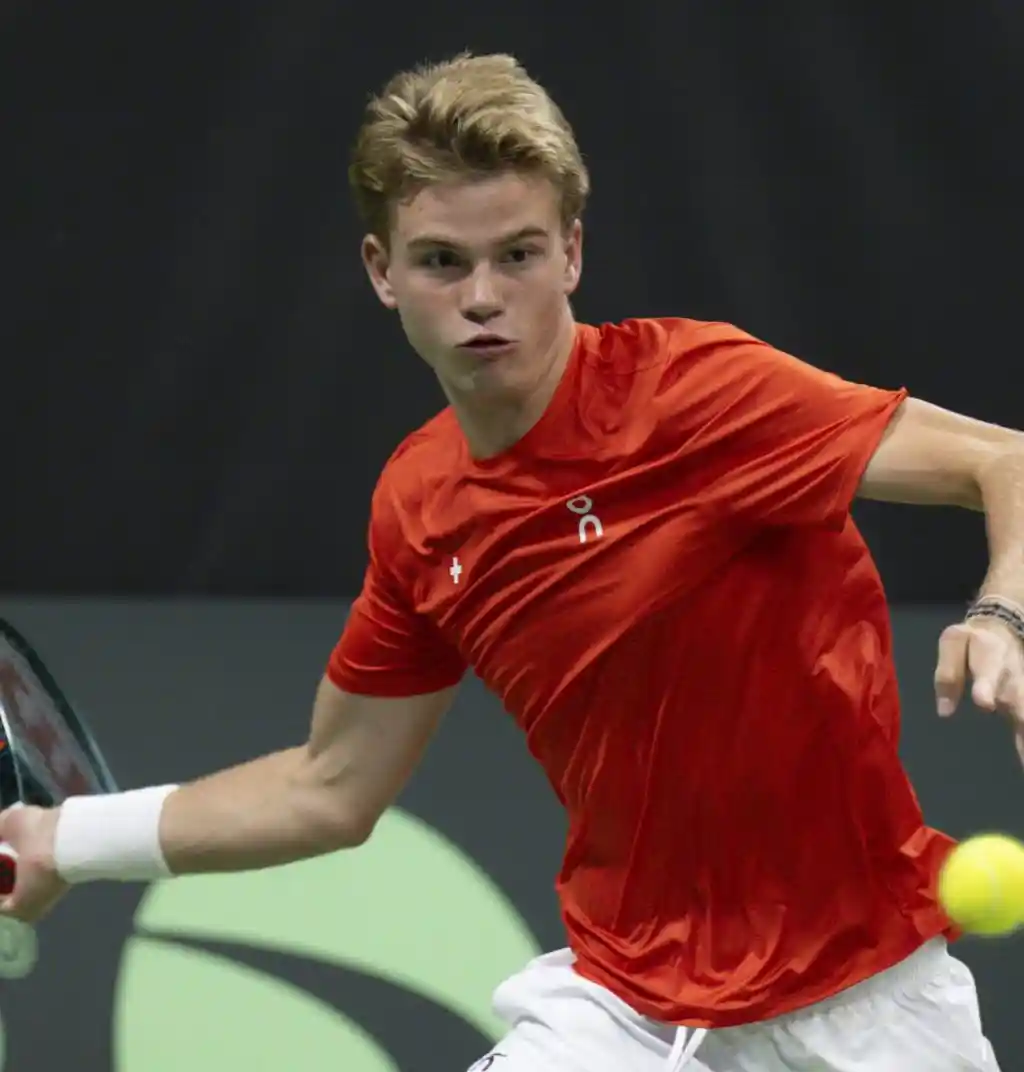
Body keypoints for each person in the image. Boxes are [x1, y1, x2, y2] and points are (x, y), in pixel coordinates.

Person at [2, 51, 1021, 1072]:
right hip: (622, 1009)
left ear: (571, 253)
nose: (483, 297)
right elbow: (329, 785)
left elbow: (1003, 461)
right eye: (443, 262)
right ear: (382, 271)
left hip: (871, 1000)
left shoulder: (696, 393)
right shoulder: (422, 508)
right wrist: (63, 841)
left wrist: (1001, 613)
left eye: (518, 255)